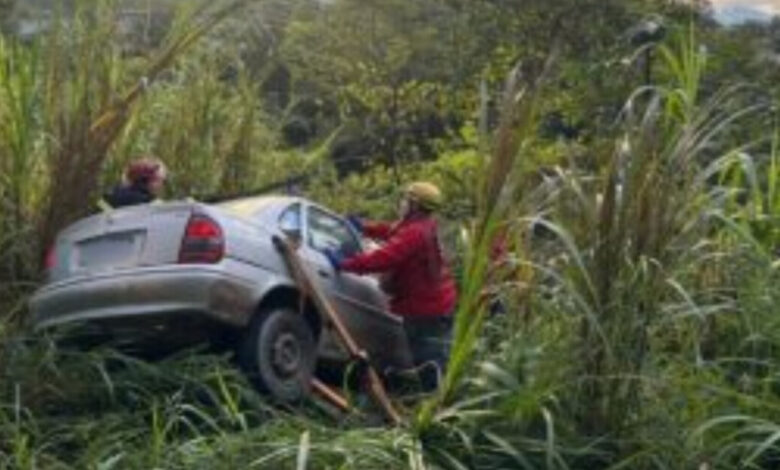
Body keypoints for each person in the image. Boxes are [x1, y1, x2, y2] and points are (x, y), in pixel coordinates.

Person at [325, 181, 457, 390]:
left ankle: (436, 402)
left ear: (415, 205)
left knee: (429, 363)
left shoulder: (415, 232)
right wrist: (365, 227)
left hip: (427, 311)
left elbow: (383, 258)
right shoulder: (421, 225)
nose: (402, 203)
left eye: (406, 200)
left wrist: (346, 263)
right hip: (436, 305)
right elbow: (392, 231)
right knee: (434, 358)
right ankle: (438, 397)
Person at [101, 157, 168, 209]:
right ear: (147, 179)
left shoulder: (111, 194)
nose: (162, 185)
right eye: (162, 181)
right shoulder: (151, 204)